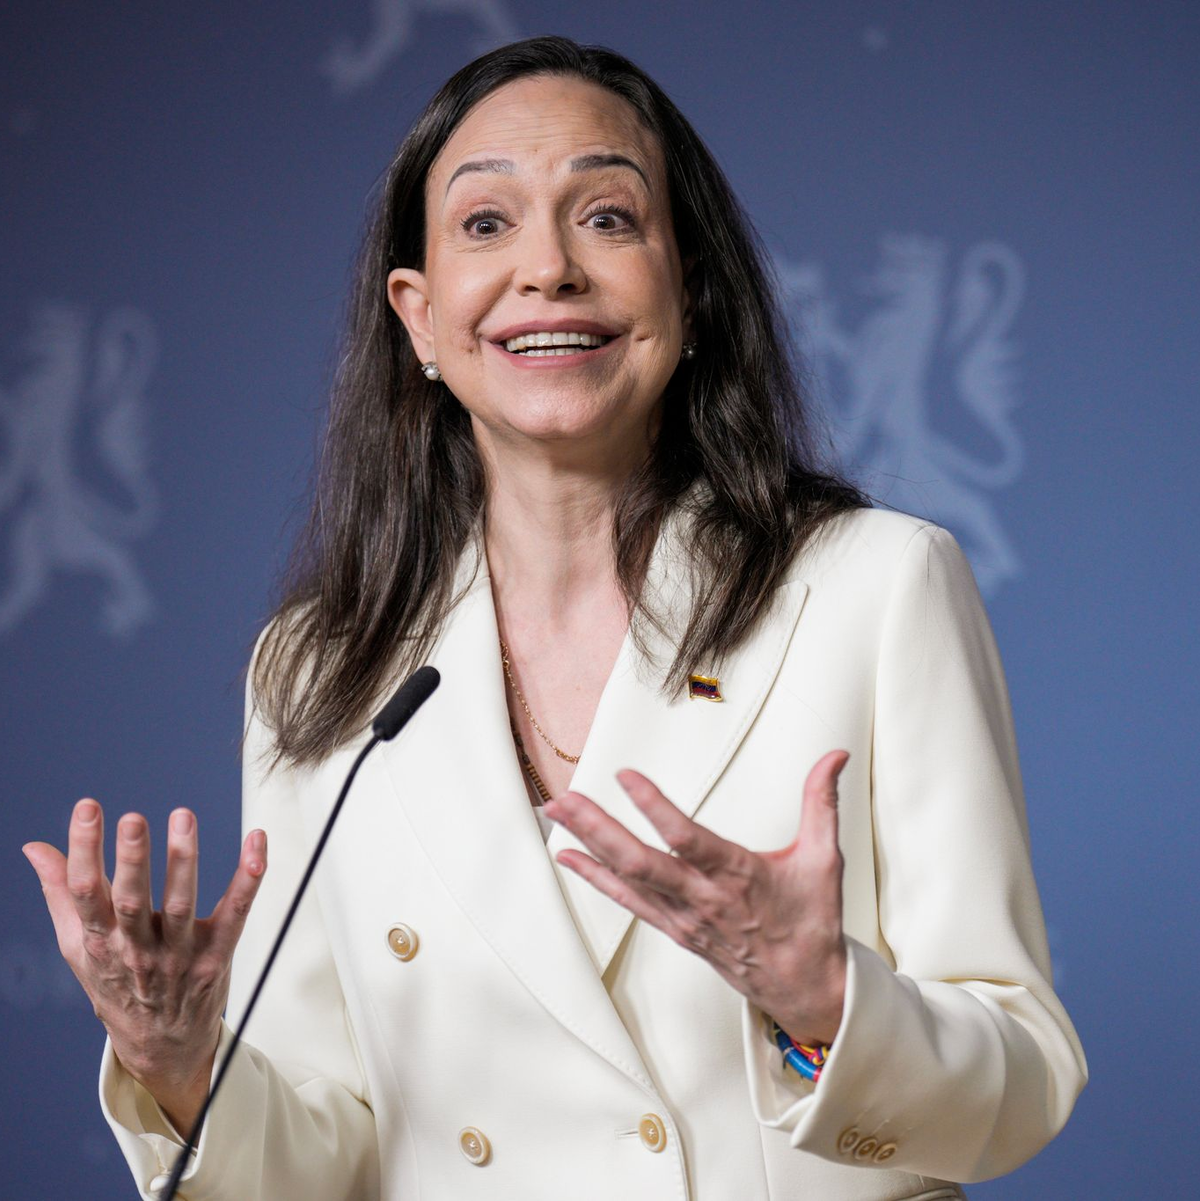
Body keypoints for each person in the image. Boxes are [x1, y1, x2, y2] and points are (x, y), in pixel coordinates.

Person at [22, 35, 1086, 1201]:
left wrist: (823, 1001)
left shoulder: (876, 587)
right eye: (486, 224)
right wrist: (176, 1067)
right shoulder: (319, 669)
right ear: (419, 320)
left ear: (691, 292)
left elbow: (1023, 1079)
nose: (548, 269)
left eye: (609, 218)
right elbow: (324, 1158)